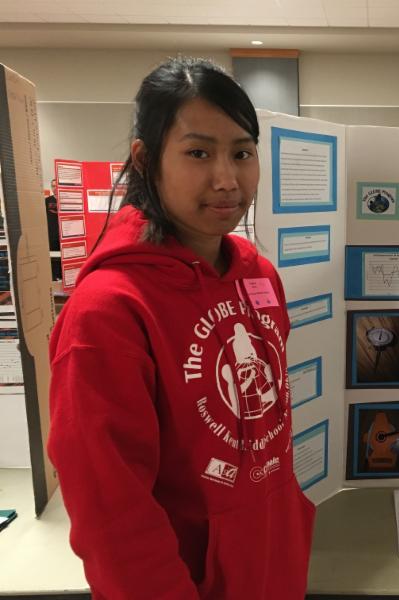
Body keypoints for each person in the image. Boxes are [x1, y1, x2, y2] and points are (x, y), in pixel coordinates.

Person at [47, 57, 315, 599]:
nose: (226, 179)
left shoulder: (257, 274)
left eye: (242, 153)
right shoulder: (107, 312)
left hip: (273, 567)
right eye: (198, 153)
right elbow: (111, 517)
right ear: (146, 160)